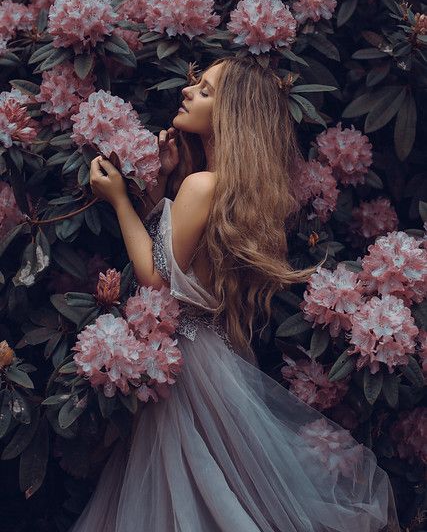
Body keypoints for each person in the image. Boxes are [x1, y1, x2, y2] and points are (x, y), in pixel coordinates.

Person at [70, 55, 400, 532]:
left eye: (205, 90)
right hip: (211, 356)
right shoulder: (227, 190)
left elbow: (157, 282)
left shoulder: (202, 186)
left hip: (183, 363)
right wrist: (161, 187)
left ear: (231, 115)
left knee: (184, 489)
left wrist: (120, 199)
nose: (188, 91)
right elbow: (181, 265)